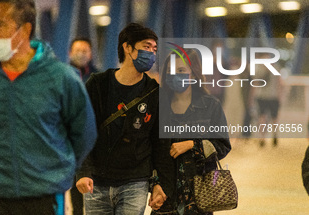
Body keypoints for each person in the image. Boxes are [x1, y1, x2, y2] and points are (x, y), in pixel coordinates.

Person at [0, 0, 97, 215]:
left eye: (0, 25)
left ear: (25, 29)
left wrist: (58, 172)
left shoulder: (60, 77)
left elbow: (84, 132)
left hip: (42, 196)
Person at [76, 23, 166, 214]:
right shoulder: (98, 85)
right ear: (127, 47)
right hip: (97, 182)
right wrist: (83, 173)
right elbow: (83, 131)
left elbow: (158, 142)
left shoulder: (154, 92)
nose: (151, 54)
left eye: (154, 49)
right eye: (146, 47)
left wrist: (158, 183)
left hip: (135, 182)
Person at [153, 49, 231, 215]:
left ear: (194, 74)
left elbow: (223, 146)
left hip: (199, 198)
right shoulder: (158, 106)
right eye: (170, 71)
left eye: (181, 71)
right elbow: (149, 150)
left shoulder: (211, 106)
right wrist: (154, 184)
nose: (175, 75)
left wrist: (192, 145)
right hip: (166, 197)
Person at [68, 37, 98, 215]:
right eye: (77, 50)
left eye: (84, 51)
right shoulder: (62, 74)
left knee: (90, 178)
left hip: (91, 136)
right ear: (70, 53)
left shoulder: (97, 77)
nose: (81, 54)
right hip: (68, 137)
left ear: (91, 54)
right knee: (73, 181)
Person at [250, 53, 282, 147]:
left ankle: (262, 138)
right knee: (273, 118)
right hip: (273, 96)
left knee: (262, 118)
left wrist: (252, 98)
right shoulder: (276, 67)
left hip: (262, 96)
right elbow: (279, 83)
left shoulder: (259, 68)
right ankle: (274, 135)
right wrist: (280, 96)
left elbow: (254, 84)